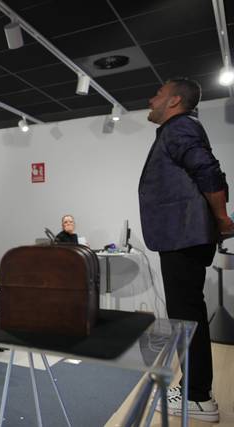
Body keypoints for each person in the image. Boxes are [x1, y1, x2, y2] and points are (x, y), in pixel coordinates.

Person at [140, 78, 234, 423]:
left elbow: (209, 172)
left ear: (175, 101)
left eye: (158, 94)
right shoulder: (179, 128)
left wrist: (222, 218)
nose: (151, 99)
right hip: (183, 237)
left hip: (182, 237)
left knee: (187, 319)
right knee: (189, 317)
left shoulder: (179, 128)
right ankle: (197, 390)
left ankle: (198, 398)